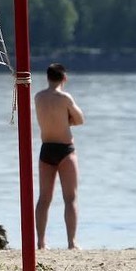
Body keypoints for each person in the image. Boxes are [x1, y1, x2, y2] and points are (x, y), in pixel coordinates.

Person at [34, 63, 84, 250]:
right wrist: (67, 119)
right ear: (64, 78)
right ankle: (72, 242)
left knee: (44, 198)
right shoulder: (65, 98)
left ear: (48, 77)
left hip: (46, 148)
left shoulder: (38, 97)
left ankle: (41, 242)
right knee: (70, 198)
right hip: (65, 149)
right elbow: (80, 119)